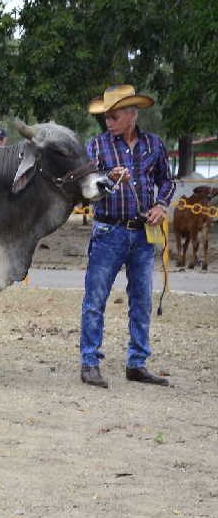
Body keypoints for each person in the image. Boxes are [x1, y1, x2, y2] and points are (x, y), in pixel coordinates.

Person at [80, 84, 174, 389]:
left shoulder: (155, 145)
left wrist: (161, 206)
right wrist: (108, 179)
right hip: (108, 231)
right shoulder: (97, 146)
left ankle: (137, 363)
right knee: (95, 299)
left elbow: (167, 181)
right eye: (106, 116)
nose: (108, 121)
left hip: (143, 235)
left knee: (142, 300)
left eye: (113, 116)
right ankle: (90, 362)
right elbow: (87, 186)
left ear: (132, 116)